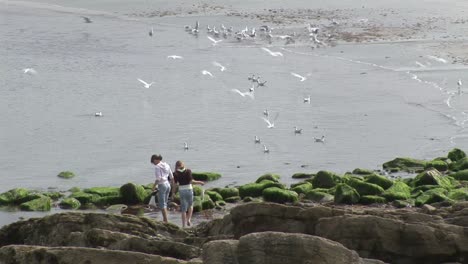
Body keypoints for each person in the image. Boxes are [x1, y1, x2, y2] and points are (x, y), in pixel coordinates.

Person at [172, 160, 204, 227]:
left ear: (176, 166)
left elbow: (175, 184)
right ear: (183, 165)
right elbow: (191, 181)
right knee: (190, 205)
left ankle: (183, 225)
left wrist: (173, 193)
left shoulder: (175, 173)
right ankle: (189, 219)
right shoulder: (188, 171)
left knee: (183, 209)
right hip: (189, 189)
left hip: (182, 191)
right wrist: (200, 182)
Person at [151, 154, 174, 223]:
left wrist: (154, 186)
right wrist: (172, 186)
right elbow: (171, 177)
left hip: (162, 185)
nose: (153, 163)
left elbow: (158, 178)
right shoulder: (166, 165)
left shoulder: (157, 167)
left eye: (153, 161)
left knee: (162, 204)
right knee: (165, 203)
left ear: (155, 159)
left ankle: (165, 220)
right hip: (168, 185)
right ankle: (165, 219)